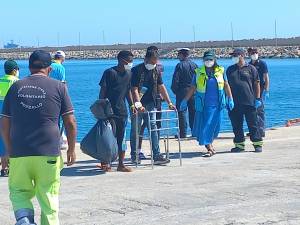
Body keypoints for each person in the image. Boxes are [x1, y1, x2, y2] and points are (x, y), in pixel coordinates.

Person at [0, 50, 77, 225]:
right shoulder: (59, 87)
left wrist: (7, 150)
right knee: (49, 195)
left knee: (19, 191)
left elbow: (4, 123)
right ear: (49, 69)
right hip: (48, 152)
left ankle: (25, 220)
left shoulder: (16, 87)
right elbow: (70, 122)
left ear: (29, 67)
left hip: (19, 151)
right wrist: (71, 149)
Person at [180, 50, 234, 157]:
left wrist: (230, 98)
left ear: (214, 60)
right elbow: (193, 87)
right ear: (203, 60)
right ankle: (209, 147)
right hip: (204, 105)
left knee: (216, 127)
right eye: (206, 59)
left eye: (210, 59)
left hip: (218, 104)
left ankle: (210, 143)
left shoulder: (221, 70)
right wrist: (185, 100)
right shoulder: (198, 72)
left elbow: (226, 85)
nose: (208, 61)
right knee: (205, 126)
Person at [130, 46, 175, 164]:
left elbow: (161, 86)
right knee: (136, 128)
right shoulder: (136, 70)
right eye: (152, 61)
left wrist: (169, 102)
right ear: (146, 59)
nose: (154, 63)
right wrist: (138, 104)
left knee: (153, 127)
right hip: (137, 103)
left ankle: (156, 155)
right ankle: (134, 155)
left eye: (155, 61)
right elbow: (134, 89)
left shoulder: (156, 70)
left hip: (151, 103)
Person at [99, 50, 135, 172]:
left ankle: (121, 164)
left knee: (121, 138)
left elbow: (128, 91)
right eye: (129, 61)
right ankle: (106, 163)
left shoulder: (129, 73)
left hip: (122, 111)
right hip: (109, 111)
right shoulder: (109, 72)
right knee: (108, 138)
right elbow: (102, 91)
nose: (130, 63)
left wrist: (132, 105)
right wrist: (101, 108)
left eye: (131, 61)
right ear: (121, 60)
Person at [226, 48, 263, 153]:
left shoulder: (251, 69)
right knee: (236, 125)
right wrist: (228, 99)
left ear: (241, 56)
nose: (233, 58)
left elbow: (257, 84)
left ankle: (257, 144)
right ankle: (239, 145)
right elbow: (226, 85)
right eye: (232, 56)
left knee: (253, 124)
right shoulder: (230, 69)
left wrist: (258, 98)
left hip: (249, 101)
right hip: (235, 103)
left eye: (235, 56)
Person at [171, 48, 198, 138]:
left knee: (181, 113)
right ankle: (195, 132)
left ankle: (183, 133)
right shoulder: (195, 65)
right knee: (193, 112)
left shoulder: (180, 65)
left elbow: (175, 81)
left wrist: (175, 91)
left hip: (182, 91)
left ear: (182, 55)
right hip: (194, 91)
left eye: (179, 55)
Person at [0, 60, 19, 176]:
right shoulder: (17, 82)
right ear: (14, 70)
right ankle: (12, 167)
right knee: (12, 140)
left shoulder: (0, 80)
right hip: (11, 115)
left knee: (2, 141)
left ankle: (4, 168)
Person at [248, 48, 270, 137]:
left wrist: (267, 90)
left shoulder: (262, 63)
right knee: (252, 111)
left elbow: (266, 77)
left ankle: (261, 131)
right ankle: (254, 129)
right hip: (251, 90)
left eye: (256, 53)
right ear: (249, 54)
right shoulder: (248, 65)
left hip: (260, 89)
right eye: (253, 53)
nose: (255, 54)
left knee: (260, 110)